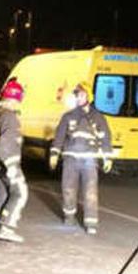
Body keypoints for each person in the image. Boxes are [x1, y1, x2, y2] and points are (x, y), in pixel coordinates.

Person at [48, 82, 113, 235]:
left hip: (89, 160)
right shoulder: (68, 116)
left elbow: (105, 138)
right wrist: (54, 154)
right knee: (68, 189)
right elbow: (59, 136)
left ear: (89, 97)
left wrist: (107, 157)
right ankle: (69, 216)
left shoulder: (98, 117)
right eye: (77, 95)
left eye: (82, 95)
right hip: (71, 159)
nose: (79, 98)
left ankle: (91, 223)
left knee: (90, 192)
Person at [0, 78, 28, 243]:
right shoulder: (10, 117)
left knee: (1, 194)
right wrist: (11, 166)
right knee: (20, 193)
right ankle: (6, 228)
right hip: (7, 163)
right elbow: (4, 144)